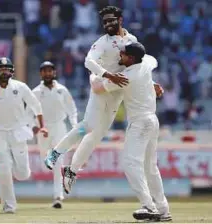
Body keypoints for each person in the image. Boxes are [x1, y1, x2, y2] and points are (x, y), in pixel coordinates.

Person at [44, 6, 163, 194]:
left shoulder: (131, 40)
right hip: (103, 86)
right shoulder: (102, 43)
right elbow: (88, 61)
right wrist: (107, 74)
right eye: (105, 21)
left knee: (97, 134)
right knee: (87, 126)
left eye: (111, 20)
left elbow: (138, 66)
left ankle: (72, 170)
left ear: (120, 20)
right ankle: (55, 152)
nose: (108, 24)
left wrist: (151, 83)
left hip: (117, 91)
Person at [91, 42, 171, 222]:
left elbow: (97, 88)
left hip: (140, 122)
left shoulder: (125, 77)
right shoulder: (147, 62)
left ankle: (148, 206)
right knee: (150, 167)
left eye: (124, 54)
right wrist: (153, 83)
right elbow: (153, 61)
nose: (120, 54)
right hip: (152, 119)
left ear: (132, 58)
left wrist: (94, 73)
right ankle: (163, 209)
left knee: (130, 163)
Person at [0, 57, 48, 213]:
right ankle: (9, 206)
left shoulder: (21, 87)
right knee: (4, 168)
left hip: (18, 131)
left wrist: (42, 126)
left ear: (11, 71)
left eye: (7, 69)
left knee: (23, 174)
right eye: (1, 69)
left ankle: (21, 172)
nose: (4, 71)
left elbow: (36, 106)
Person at [27, 61, 77, 208]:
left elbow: (72, 110)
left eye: (50, 71)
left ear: (54, 72)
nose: (47, 73)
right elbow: (28, 114)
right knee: (46, 162)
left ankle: (58, 196)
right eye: (44, 71)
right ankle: (48, 162)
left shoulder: (62, 90)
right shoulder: (35, 92)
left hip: (59, 128)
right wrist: (35, 128)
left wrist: (74, 126)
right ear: (40, 74)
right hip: (43, 129)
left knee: (57, 162)